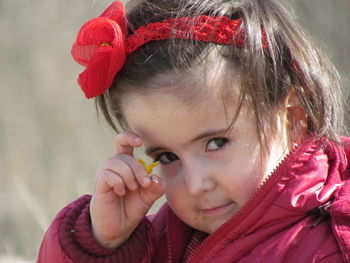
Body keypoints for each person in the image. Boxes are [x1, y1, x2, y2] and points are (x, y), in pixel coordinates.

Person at [37, 0, 350, 262]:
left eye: (216, 143)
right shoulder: (163, 240)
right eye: (167, 156)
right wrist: (104, 242)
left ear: (292, 117)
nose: (196, 184)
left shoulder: (331, 243)